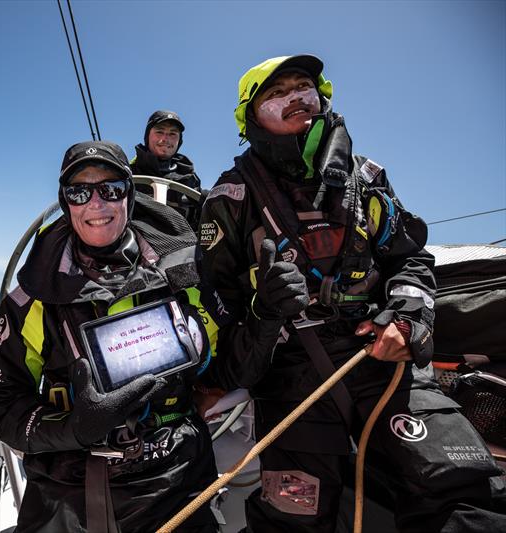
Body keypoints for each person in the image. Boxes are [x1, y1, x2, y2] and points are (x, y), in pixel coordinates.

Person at [197, 55, 506, 532]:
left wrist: (406, 316)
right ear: (250, 117)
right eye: (277, 93)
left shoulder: (366, 179)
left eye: (305, 86)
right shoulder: (229, 199)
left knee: (467, 494)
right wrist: (264, 313)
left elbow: (411, 258)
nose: (297, 96)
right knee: (293, 519)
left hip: (380, 360)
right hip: (290, 375)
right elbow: (215, 314)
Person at [0, 140, 219, 532]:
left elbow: (224, 363)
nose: (97, 203)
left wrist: (265, 316)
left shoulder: (182, 274)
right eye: (79, 191)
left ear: (130, 194)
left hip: (175, 475)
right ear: (65, 201)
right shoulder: (32, 298)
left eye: (111, 189)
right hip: (67, 488)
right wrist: (71, 428)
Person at [131, 110, 202, 228]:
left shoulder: (190, 179)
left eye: (173, 134)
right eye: (159, 131)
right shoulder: (128, 172)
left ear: (179, 140)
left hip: (182, 244)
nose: (166, 139)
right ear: (147, 136)